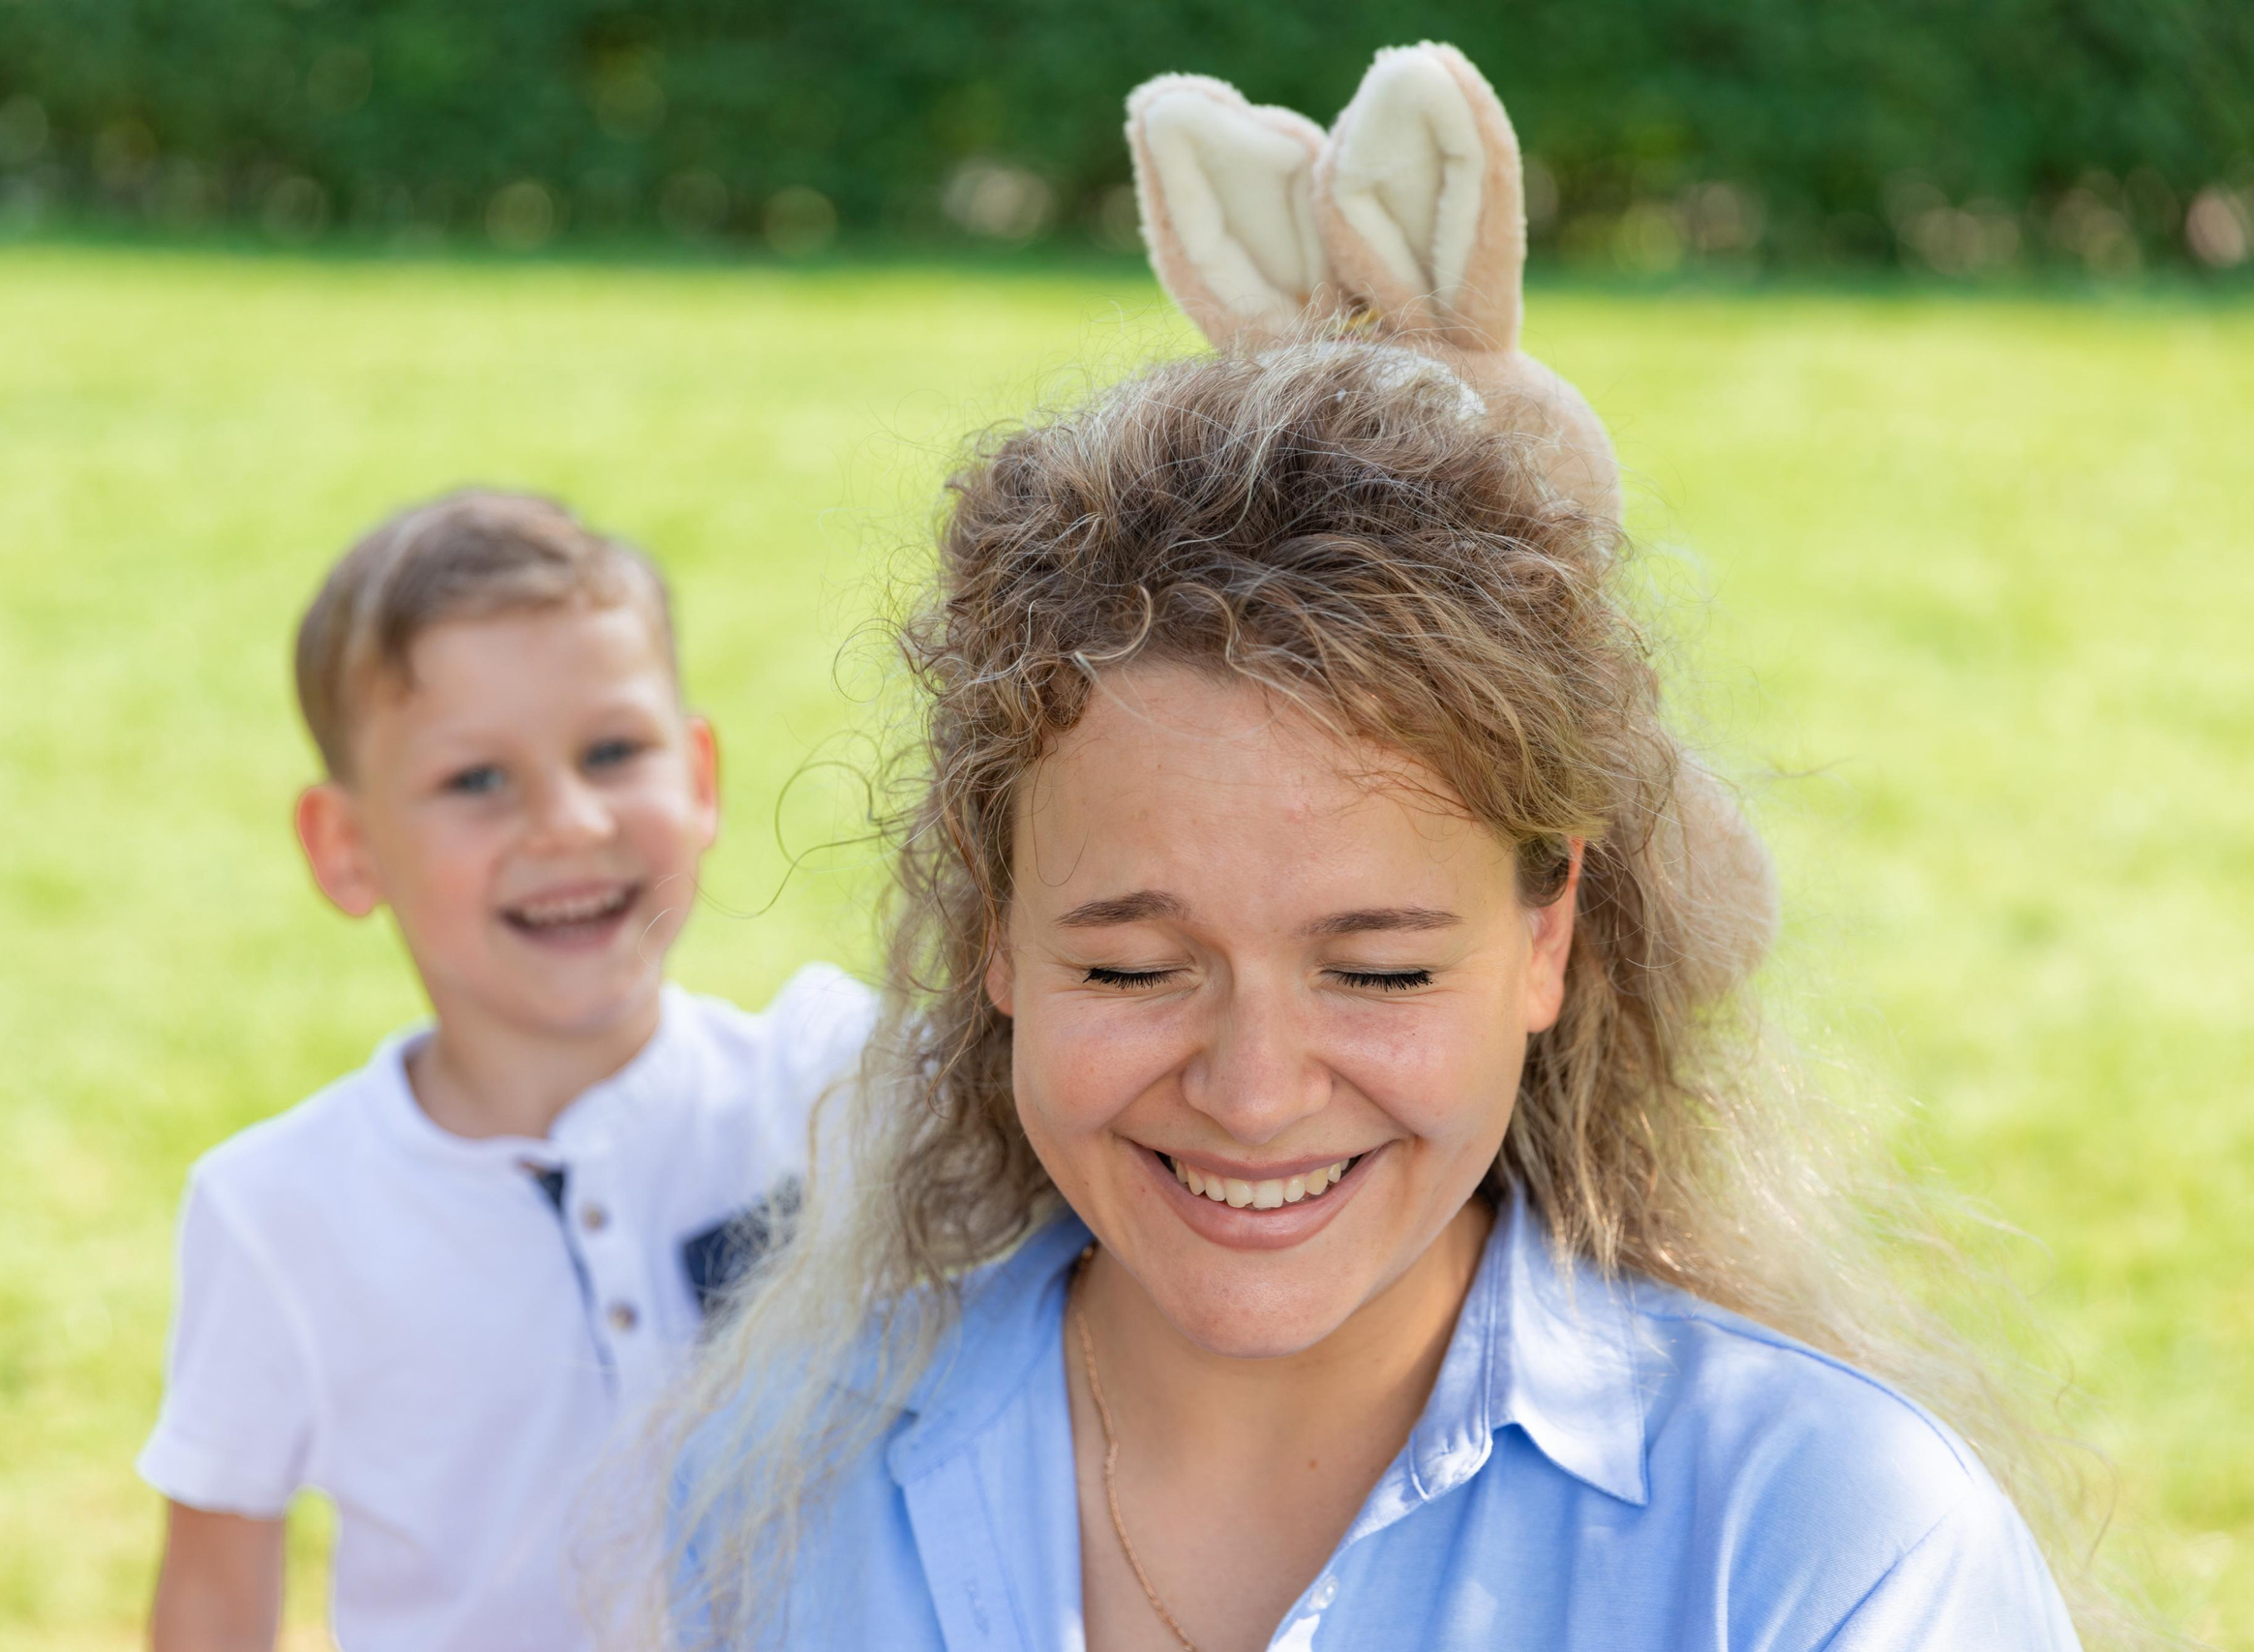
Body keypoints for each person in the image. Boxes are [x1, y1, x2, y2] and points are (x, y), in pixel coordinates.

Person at [642, 45, 2111, 1652]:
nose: (1256, 1088)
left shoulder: (1824, 1549)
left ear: (1550, 935)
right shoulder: (783, 1479)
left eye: (1382, 965)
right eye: (1132, 963)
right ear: (993, 935)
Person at [138, 490, 872, 1651]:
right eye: (477, 780)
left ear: (700, 776)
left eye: (613, 752)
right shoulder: (278, 1209)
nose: (569, 822)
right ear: (346, 847)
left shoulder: (822, 1084)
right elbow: (216, 1594)